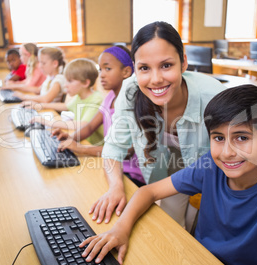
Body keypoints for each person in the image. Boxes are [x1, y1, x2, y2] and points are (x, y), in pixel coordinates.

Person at [80, 84, 257, 265]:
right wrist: (119, 230)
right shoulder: (210, 165)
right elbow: (149, 191)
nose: (228, 152)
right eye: (218, 138)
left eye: (242, 137)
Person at [89, 21, 226, 227]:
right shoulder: (130, 91)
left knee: (205, 230)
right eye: (144, 68)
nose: (156, 79)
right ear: (134, 68)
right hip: (171, 171)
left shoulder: (214, 96)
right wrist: (115, 187)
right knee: (173, 230)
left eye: (166, 65)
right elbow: (114, 146)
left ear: (184, 62)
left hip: (217, 173)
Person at [53, 45, 145, 187]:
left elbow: (126, 151)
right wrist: (70, 139)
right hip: (111, 165)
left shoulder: (134, 103)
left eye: (108, 69)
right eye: (100, 69)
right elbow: (90, 126)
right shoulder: (110, 97)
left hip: (131, 175)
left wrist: (81, 149)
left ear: (126, 72)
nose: (101, 74)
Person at [31, 58, 104, 145]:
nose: (65, 85)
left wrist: (49, 123)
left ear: (85, 83)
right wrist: (40, 105)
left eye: (70, 81)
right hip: (81, 141)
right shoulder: (79, 96)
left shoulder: (96, 100)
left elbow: (84, 124)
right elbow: (65, 106)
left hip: (91, 147)